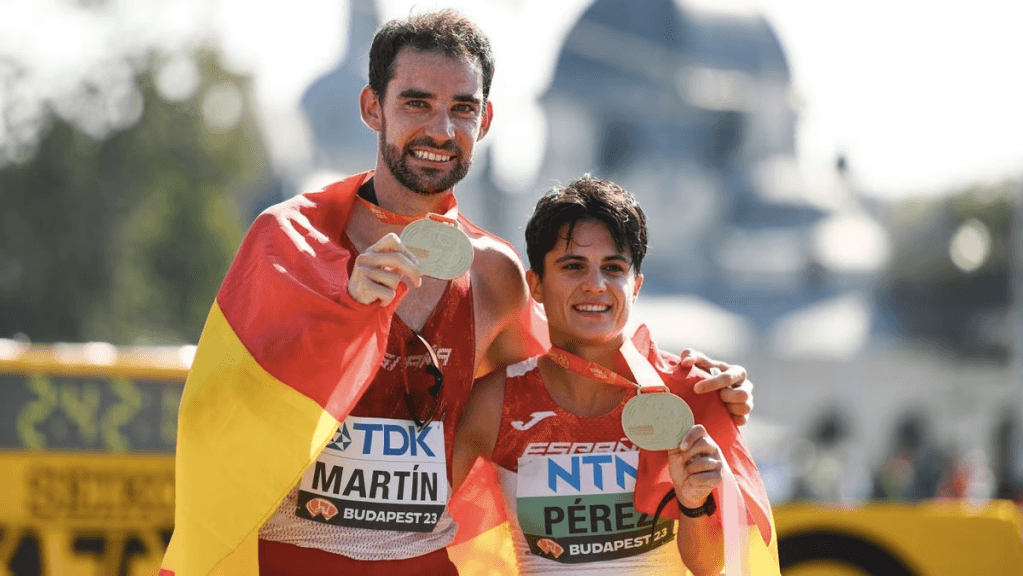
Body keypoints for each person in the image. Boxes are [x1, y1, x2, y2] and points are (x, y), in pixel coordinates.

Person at [159, 10, 754, 576]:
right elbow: (219, 409)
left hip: (425, 562)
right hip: (293, 557)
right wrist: (341, 306)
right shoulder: (289, 242)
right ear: (373, 108)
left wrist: (684, 382)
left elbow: (571, 373)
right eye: (417, 102)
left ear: (485, 121)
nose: (440, 130)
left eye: (461, 108)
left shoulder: (495, 273)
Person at [453, 176, 777, 575]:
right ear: (535, 285)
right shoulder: (496, 401)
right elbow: (418, 529)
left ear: (635, 285)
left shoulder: (687, 394)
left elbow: (715, 566)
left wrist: (695, 501)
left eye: (613, 268)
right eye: (573, 266)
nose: (595, 285)